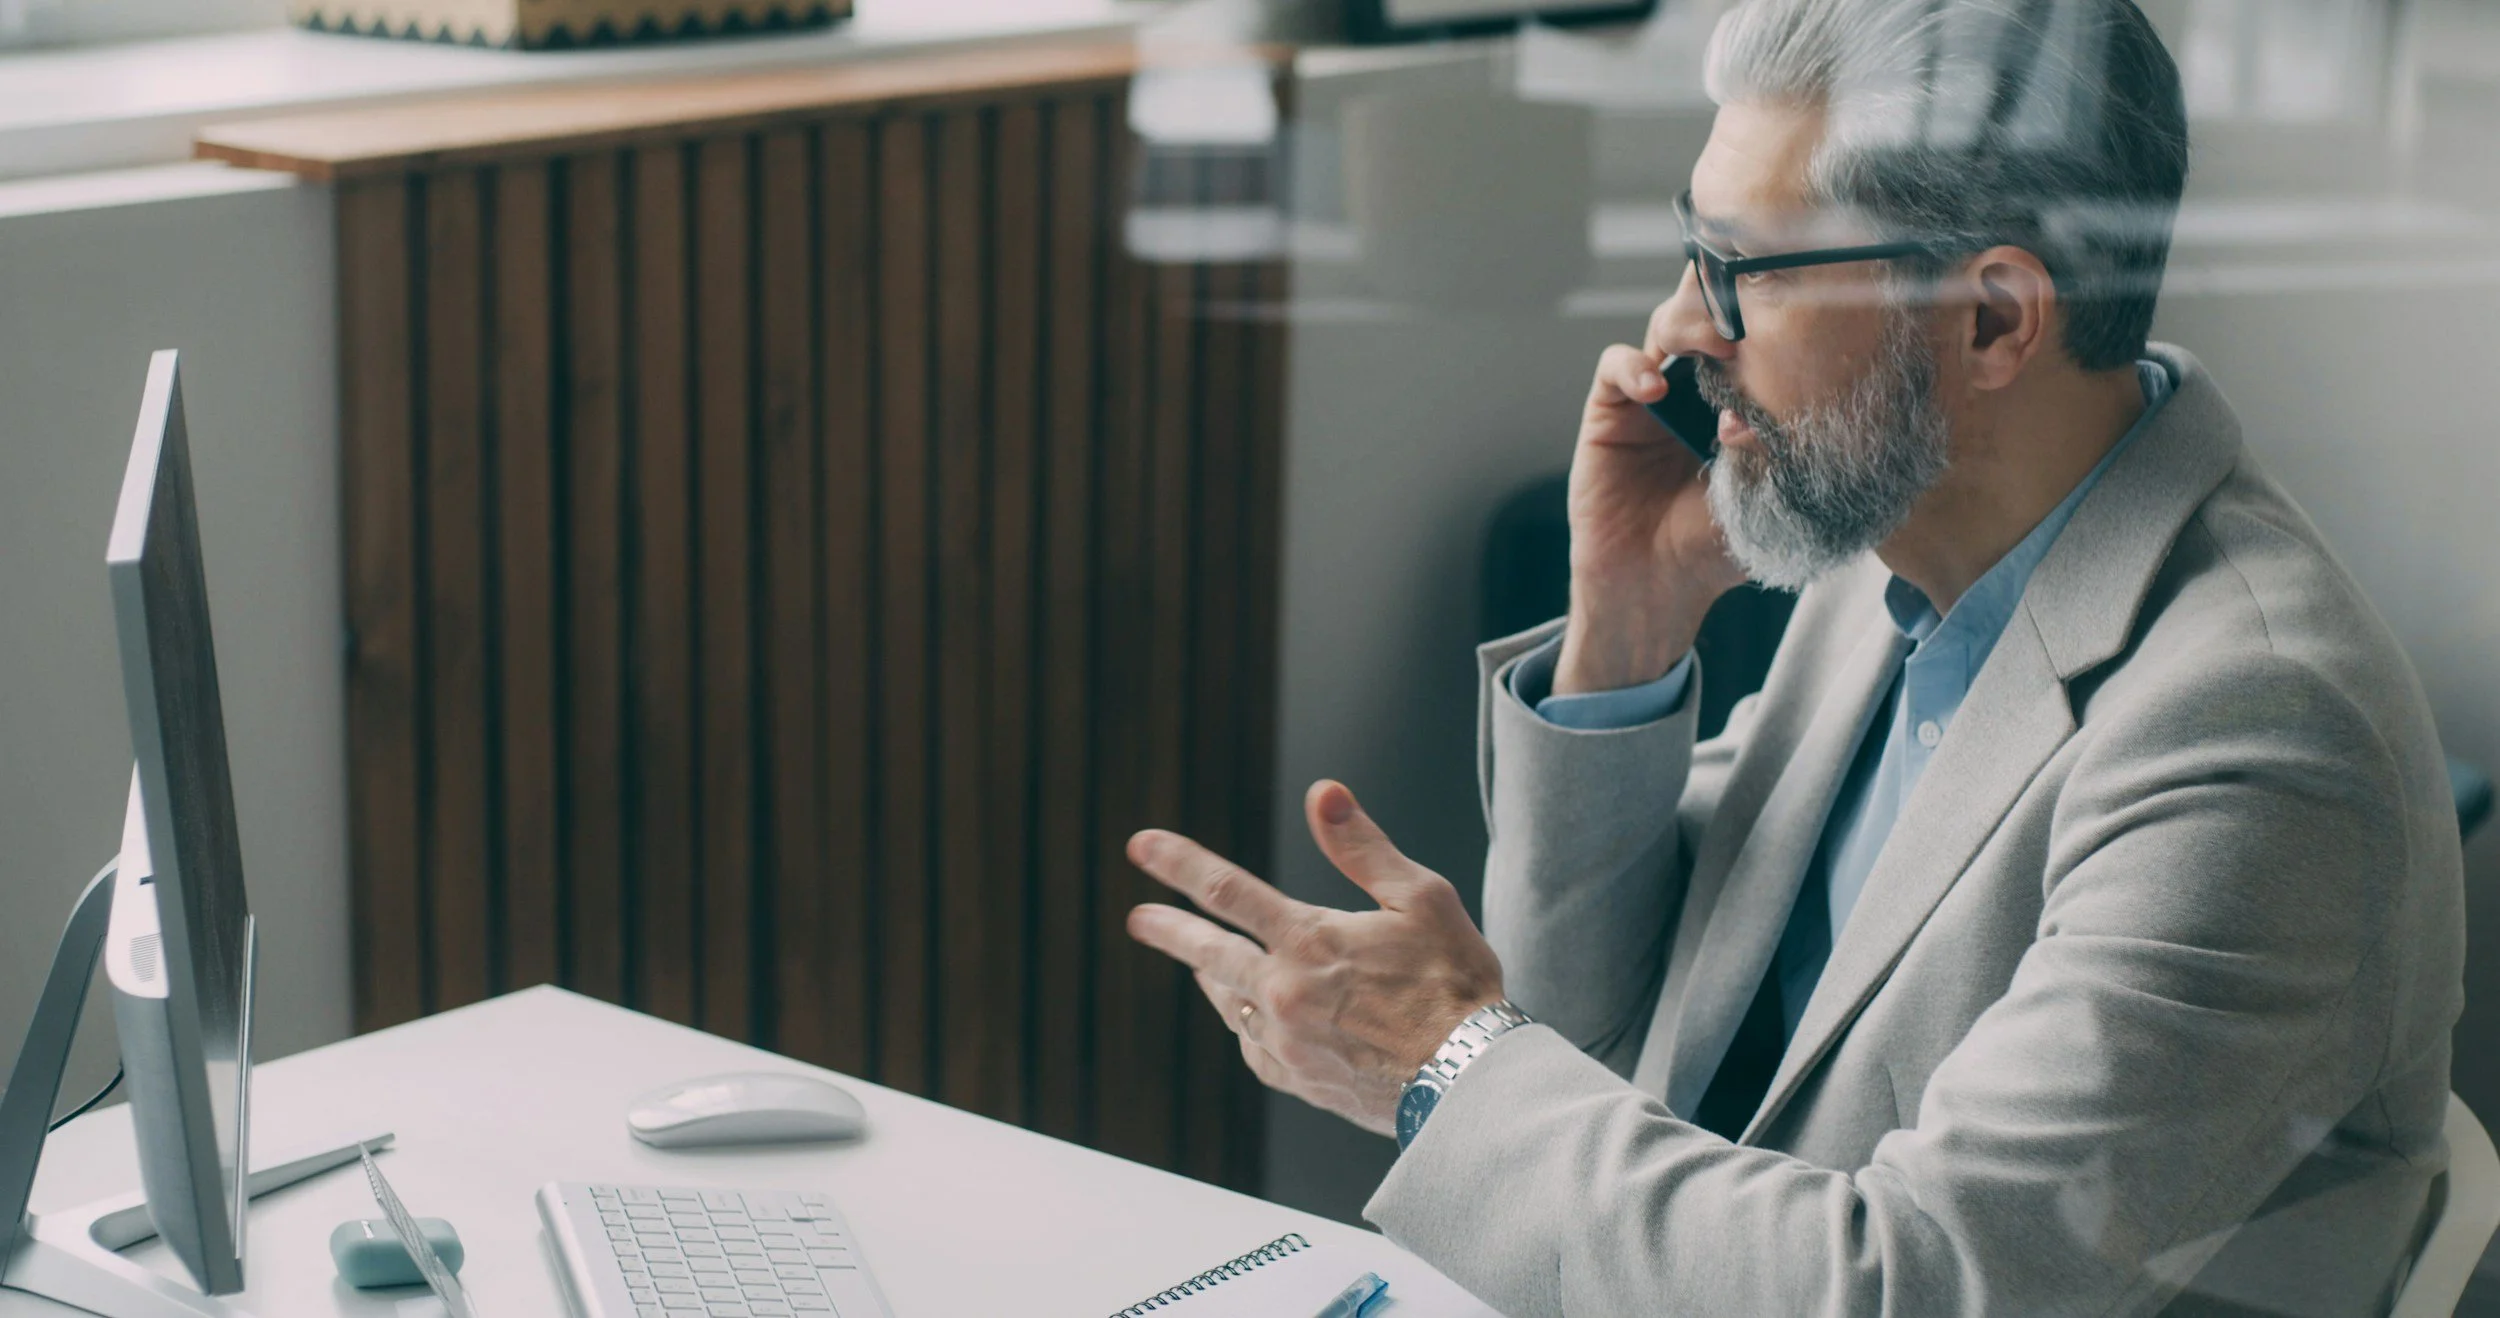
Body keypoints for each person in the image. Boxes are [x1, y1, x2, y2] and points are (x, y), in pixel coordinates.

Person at [1122, 0, 2467, 1312]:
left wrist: (1438, 1060)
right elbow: (1590, 1040)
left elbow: (1914, 1286)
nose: (1676, 332)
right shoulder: (1893, 549)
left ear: (1993, 319)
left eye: (1740, 271)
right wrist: (1624, 632)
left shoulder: (2262, 735)